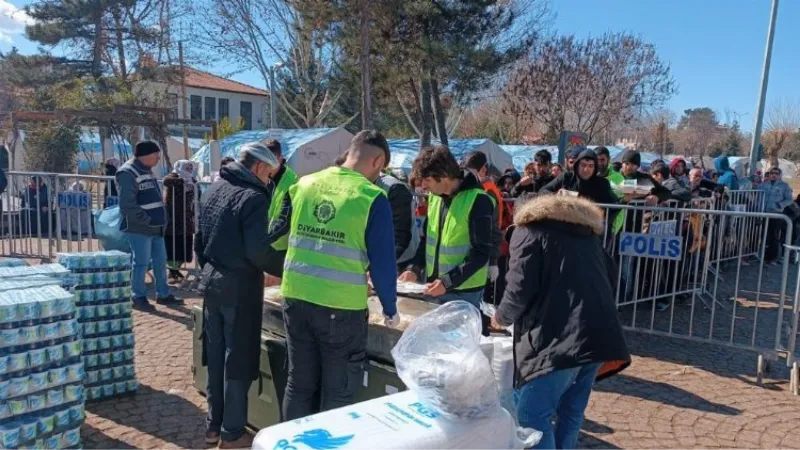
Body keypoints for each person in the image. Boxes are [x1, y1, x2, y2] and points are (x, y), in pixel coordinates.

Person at [491, 194, 630, 450]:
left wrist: (501, 317)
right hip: (598, 336)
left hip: (560, 340)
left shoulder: (528, 231)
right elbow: (611, 276)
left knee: (532, 416)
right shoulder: (586, 233)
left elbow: (519, 287)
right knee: (571, 412)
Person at [281, 130, 399, 421]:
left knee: (299, 385)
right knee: (338, 392)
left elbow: (279, 237)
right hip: (341, 310)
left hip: (295, 297)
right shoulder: (372, 197)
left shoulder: (303, 185)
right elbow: (383, 264)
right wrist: (390, 308)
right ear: (378, 161)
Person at [195, 142, 282, 448]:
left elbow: (199, 239)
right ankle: (233, 432)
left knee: (215, 356)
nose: (269, 180)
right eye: (269, 174)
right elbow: (258, 251)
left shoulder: (215, 188)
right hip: (241, 286)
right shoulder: (253, 197)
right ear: (259, 167)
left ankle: (213, 426)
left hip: (212, 281)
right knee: (239, 358)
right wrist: (287, 267)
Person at [399, 146, 494, 309]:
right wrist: (414, 269)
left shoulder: (478, 200)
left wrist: (447, 281)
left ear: (443, 176)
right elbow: (426, 241)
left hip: (464, 293)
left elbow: (481, 253)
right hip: (433, 288)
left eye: (427, 180)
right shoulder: (435, 198)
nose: (423, 187)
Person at [116, 141, 181, 310]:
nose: (159, 158)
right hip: (140, 228)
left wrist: (161, 219)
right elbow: (127, 205)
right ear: (145, 155)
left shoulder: (147, 170)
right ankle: (138, 297)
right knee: (141, 263)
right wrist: (146, 220)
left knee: (160, 261)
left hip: (156, 227)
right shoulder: (127, 172)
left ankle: (163, 294)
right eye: (156, 154)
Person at [263, 140, 298, 277]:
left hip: (280, 249)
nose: (265, 166)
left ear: (280, 158)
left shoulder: (291, 182)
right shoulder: (262, 176)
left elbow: (284, 221)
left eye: (269, 161)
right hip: (263, 245)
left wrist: (260, 240)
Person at [539, 148, 618, 205]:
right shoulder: (566, 177)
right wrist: (556, 195)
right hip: (564, 223)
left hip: (589, 225)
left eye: (590, 166)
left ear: (595, 168)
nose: (586, 169)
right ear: (577, 165)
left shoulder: (602, 184)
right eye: (583, 165)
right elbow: (542, 191)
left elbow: (615, 205)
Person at [377, 169, 419, 270]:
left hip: (400, 259)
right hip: (380, 257)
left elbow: (400, 235)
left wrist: (380, 265)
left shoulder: (395, 189)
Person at [163, 160, 197, 283]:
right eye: (186, 167)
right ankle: (172, 271)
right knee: (173, 245)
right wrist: (181, 181)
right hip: (172, 219)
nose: (188, 169)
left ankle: (176, 270)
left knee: (185, 246)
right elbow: (166, 181)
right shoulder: (173, 176)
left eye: (189, 167)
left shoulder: (192, 179)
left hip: (186, 219)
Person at [757, 167, 793, 264]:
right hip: (764, 213)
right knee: (764, 235)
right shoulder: (763, 185)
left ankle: (772, 258)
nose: (773, 175)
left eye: (776, 173)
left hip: (777, 214)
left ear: (780, 175)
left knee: (774, 236)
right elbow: (756, 195)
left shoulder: (785, 186)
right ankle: (762, 256)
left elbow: (789, 199)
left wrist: (780, 205)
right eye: (772, 173)